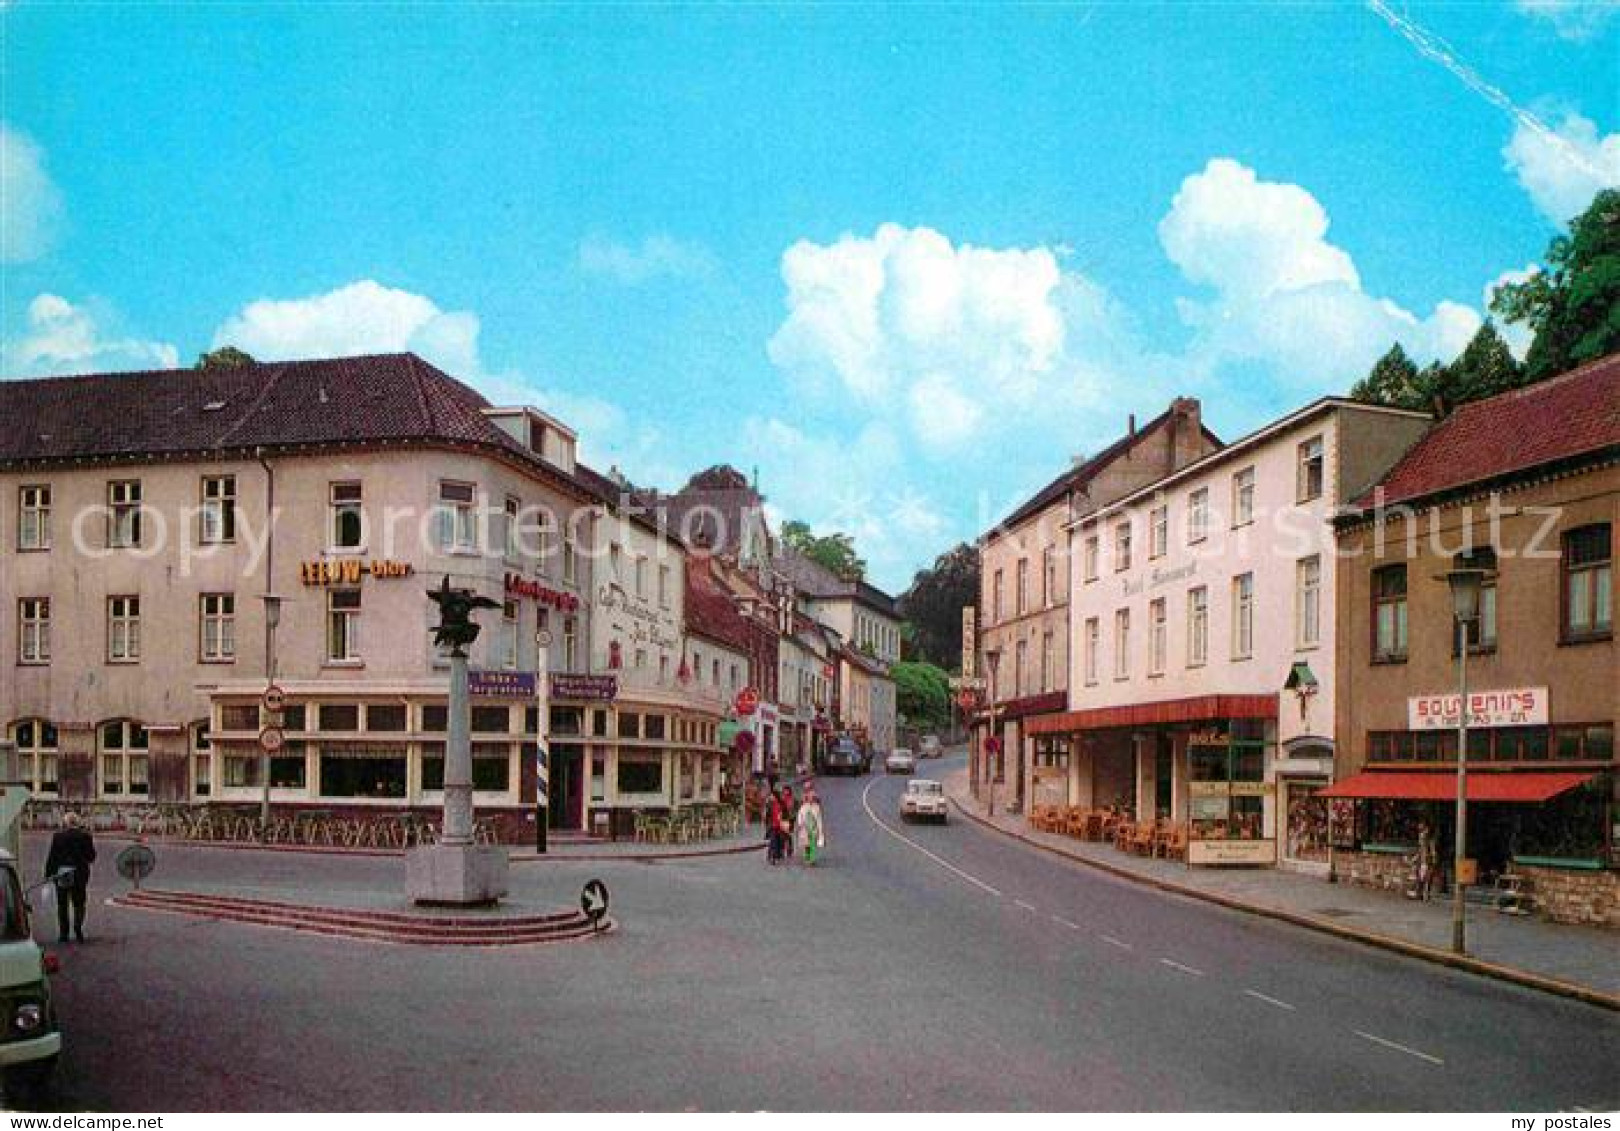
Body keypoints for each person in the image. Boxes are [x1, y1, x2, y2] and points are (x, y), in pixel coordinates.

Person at [44, 811, 96, 943]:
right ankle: (78, 926)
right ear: (77, 822)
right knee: (79, 903)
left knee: (62, 904)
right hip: (79, 874)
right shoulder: (85, 836)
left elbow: (52, 857)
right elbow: (91, 857)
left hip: (62, 873)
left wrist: (49, 874)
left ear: (65, 822)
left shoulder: (58, 836)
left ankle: (64, 933)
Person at [795, 785, 826, 866]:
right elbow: (800, 816)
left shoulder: (817, 807)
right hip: (805, 828)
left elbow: (819, 818)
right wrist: (800, 825)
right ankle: (807, 857)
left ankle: (811, 859)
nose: (811, 799)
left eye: (813, 798)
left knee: (812, 844)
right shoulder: (803, 807)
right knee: (806, 844)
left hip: (813, 828)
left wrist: (820, 829)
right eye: (810, 797)